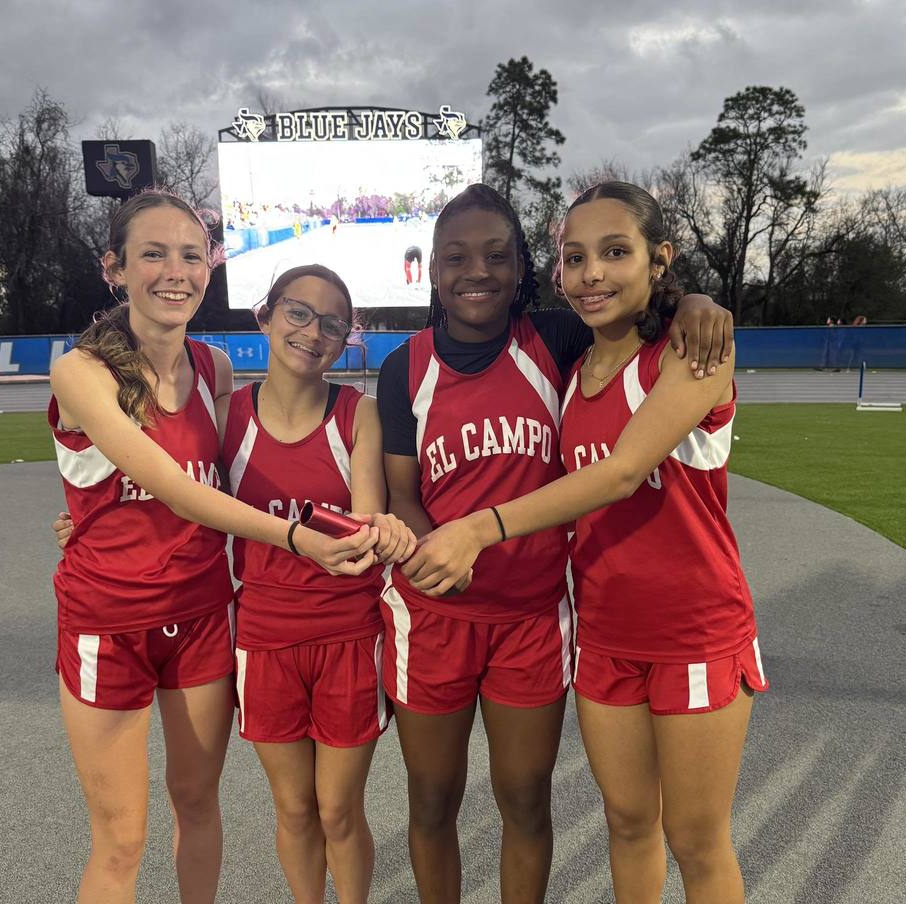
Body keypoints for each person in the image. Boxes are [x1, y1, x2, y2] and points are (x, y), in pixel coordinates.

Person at [406, 181, 767, 904]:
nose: (592, 272)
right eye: (575, 258)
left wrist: (480, 527)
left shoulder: (692, 352)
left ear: (659, 258)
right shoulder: (574, 364)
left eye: (614, 252)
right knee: (628, 822)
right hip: (603, 635)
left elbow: (623, 473)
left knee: (696, 841)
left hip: (693, 630)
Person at [49, 191, 377, 904]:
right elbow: (173, 487)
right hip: (110, 622)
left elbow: (221, 478)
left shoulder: (214, 370)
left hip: (200, 616)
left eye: (191, 255)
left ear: (210, 269)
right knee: (122, 839)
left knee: (199, 808)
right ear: (115, 268)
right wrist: (295, 538)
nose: (176, 271)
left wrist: (91, 512)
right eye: (153, 254)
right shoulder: (80, 371)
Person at [220, 264, 417, 904]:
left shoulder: (356, 415)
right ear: (267, 316)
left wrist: (377, 531)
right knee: (295, 808)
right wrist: (82, 522)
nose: (312, 332)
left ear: (345, 338)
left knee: (337, 808)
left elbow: (360, 524)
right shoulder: (228, 416)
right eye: (298, 313)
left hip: (347, 635)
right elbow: (182, 501)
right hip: (265, 637)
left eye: (332, 323)